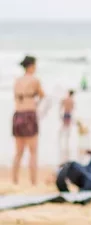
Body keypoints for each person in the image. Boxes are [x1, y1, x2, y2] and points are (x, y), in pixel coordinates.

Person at [12, 55, 45, 186]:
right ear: (31, 66)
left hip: (17, 115)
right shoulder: (34, 80)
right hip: (29, 115)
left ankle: (15, 180)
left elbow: (16, 98)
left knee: (19, 152)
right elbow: (43, 96)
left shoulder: (17, 81)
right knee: (33, 152)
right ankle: (33, 182)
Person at [58, 89, 75, 163]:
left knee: (64, 126)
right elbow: (73, 109)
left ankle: (61, 136)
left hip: (65, 114)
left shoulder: (65, 99)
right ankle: (65, 138)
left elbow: (60, 105)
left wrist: (60, 114)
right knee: (67, 127)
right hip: (68, 114)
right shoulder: (71, 100)